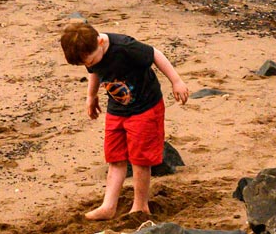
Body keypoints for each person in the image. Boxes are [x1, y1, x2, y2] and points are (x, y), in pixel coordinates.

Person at [60, 21, 190, 219]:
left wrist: (176, 81)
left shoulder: (125, 47)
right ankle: (108, 206)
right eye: (85, 63)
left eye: (91, 60)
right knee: (115, 157)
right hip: (117, 109)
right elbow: (95, 72)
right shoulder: (90, 53)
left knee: (140, 160)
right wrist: (91, 96)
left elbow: (155, 53)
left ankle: (140, 206)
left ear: (100, 41)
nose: (89, 65)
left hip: (145, 108)